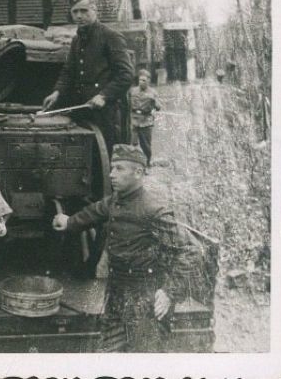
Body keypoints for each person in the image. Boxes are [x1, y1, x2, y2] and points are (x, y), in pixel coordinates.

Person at [52, 144, 200, 352]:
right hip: (117, 293)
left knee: (144, 358)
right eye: (112, 168)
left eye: (119, 168)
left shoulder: (153, 210)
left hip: (144, 298)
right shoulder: (117, 200)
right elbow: (95, 212)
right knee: (107, 355)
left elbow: (191, 250)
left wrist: (169, 292)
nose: (111, 174)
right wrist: (69, 222)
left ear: (138, 172)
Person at [42, 0, 134, 153]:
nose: (79, 16)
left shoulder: (110, 36)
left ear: (94, 10)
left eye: (84, 11)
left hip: (105, 114)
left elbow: (126, 74)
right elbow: (68, 71)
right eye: (75, 11)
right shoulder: (77, 40)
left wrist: (104, 96)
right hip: (82, 110)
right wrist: (57, 92)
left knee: (103, 157)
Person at [129, 69, 161, 167]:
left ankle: (147, 163)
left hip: (146, 121)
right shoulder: (132, 91)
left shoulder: (153, 92)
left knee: (146, 145)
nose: (141, 82)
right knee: (132, 144)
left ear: (148, 81)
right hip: (134, 119)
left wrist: (154, 101)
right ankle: (134, 164)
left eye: (144, 80)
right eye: (140, 80)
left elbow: (158, 107)